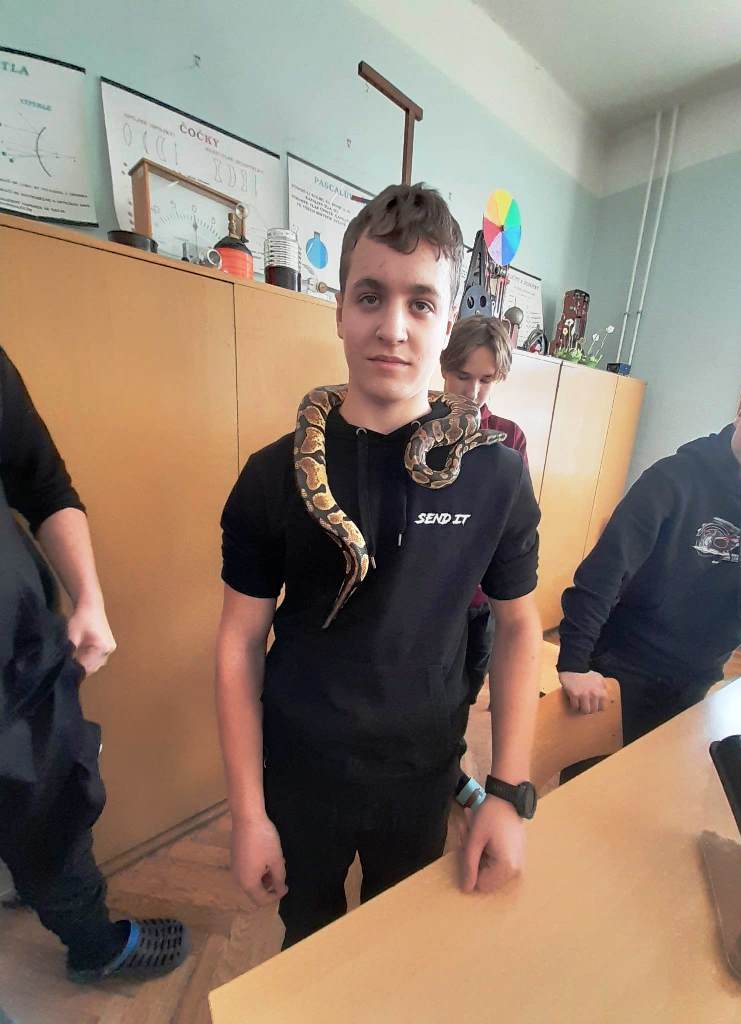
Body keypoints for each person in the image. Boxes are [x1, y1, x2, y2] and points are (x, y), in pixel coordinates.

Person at [216, 183, 542, 949]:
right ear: (339, 310)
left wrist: (506, 791)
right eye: (370, 296)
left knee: (398, 941)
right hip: (301, 771)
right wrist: (247, 811)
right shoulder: (270, 475)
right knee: (309, 935)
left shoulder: (496, 475)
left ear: (447, 319)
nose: (392, 327)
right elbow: (238, 642)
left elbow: (519, 627)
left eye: (421, 303)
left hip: (423, 773)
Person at [0, 347, 188, 983]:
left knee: (55, 814)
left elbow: (44, 484)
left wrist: (90, 598)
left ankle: (93, 942)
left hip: (20, 667)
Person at [558, 370, 741, 757]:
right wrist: (573, 662)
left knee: (667, 784)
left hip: (699, 677)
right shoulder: (672, 479)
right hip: (623, 666)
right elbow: (605, 572)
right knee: (598, 787)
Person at [440, 316, 529, 703]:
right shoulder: (416, 428)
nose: (473, 392)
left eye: (486, 379)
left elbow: (514, 524)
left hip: (482, 599)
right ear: (443, 366)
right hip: (432, 598)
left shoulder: (508, 437)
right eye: (462, 376)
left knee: (468, 689)